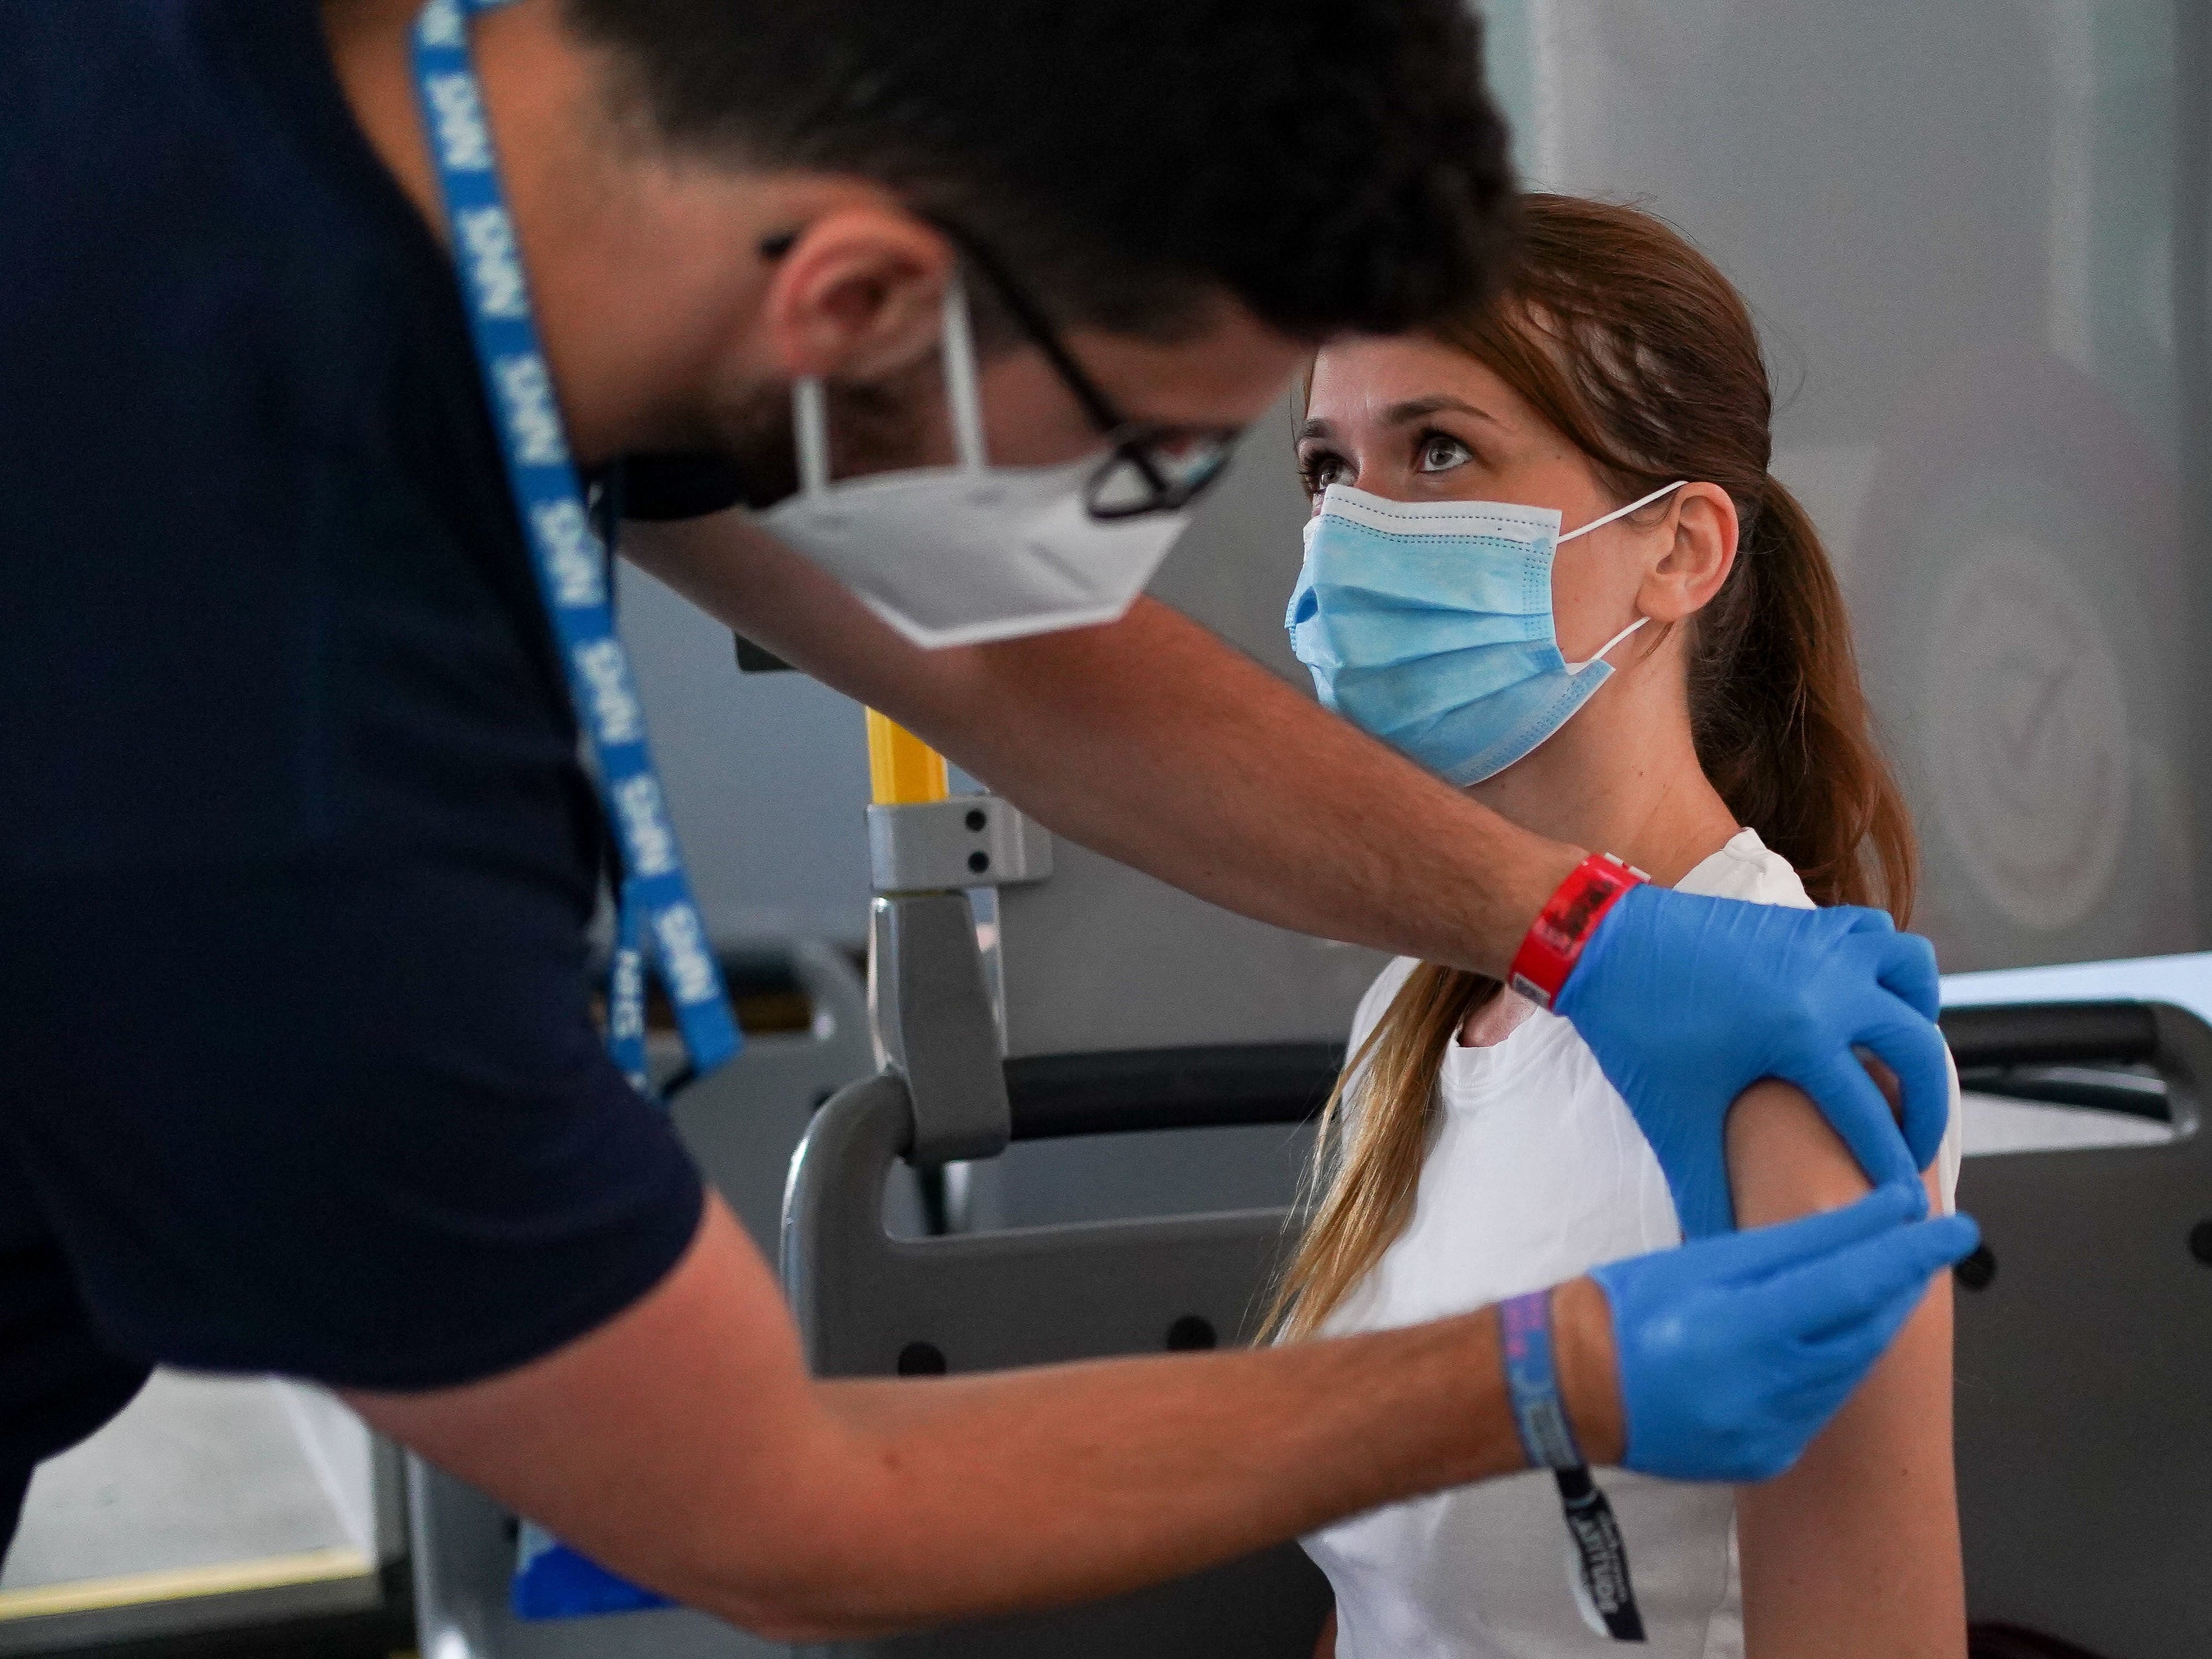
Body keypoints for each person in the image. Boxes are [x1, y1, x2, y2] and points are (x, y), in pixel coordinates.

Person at [0, 0, 1968, 1637]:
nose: (1325, 543)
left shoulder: (477, 129)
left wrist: (1565, 923)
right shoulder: (259, 747)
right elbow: (774, 1495)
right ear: (854, 306)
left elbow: (993, 652)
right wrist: (1537, 1373)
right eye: (1134, 463)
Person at [1276, 195, 1967, 1657]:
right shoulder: (1417, 996)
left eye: (1439, 450)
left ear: (1680, 550)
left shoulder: (1795, 1054)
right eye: (1327, 464)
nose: (1354, 524)